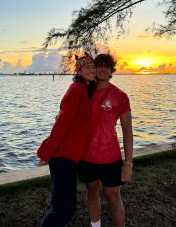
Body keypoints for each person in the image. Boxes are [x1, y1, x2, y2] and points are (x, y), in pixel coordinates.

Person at [37, 52, 96, 227]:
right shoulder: (78, 90)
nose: (91, 70)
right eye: (87, 67)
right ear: (78, 71)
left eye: (93, 67)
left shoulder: (83, 90)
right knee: (64, 208)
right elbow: (62, 123)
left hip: (68, 156)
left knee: (59, 206)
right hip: (64, 156)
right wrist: (46, 152)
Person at [78, 54, 133, 227]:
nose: (102, 69)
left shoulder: (120, 96)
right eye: (98, 65)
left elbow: (128, 131)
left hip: (110, 158)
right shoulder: (83, 91)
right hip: (85, 157)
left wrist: (128, 163)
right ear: (94, 68)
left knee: (113, 197)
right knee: (92, 191)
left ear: (111, 70)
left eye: (106, 66)